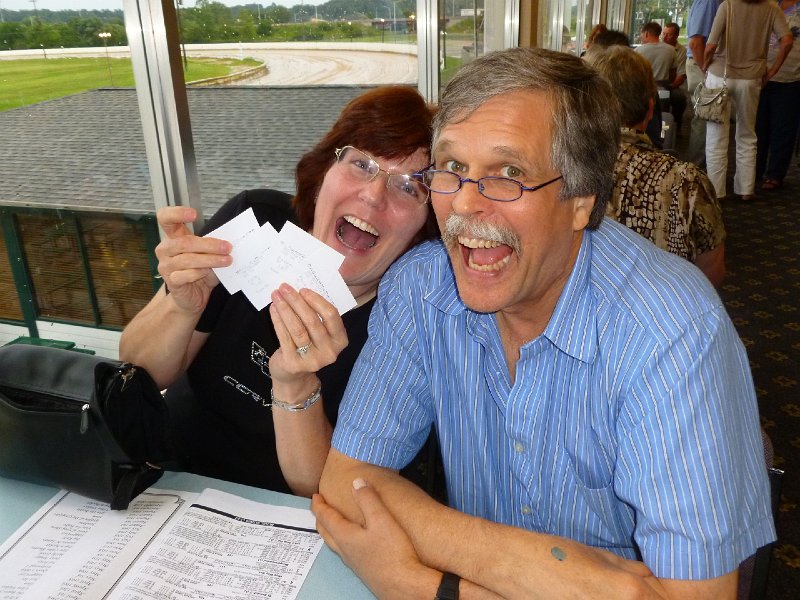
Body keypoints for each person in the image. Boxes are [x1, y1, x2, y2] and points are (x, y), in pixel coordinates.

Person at [312, 47, 775, 599]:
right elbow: (346, 479)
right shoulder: (422, 289)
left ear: (581, 200)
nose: (465, 207)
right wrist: (526, 566)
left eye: (509, 174)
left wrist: (416, 581)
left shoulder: (670, 331)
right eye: (453, 169)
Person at [118, 86, 438, 497]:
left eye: (408, 187)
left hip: (282, 519)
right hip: (166, 478)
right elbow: (139, 369)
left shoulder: (404, 320)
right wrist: (182, 308)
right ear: (324, 172)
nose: (373, 195)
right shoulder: (255, 225)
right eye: (361, 164)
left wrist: (295, 385)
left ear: (423, 231)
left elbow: (319, 488)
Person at [586, 45, 726, 287]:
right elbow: (711, 275)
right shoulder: (687, 183)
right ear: (651, 110)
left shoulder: (557, 170)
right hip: (665, 317)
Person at [703, 0, 792, 201]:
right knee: (747, 134)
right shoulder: (771, 8)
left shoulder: (728, 6)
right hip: (752, 78)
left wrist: (704, 66)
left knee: (716, 136)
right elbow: (786, 41)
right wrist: (772, 71)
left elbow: (710, 46)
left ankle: (716, 192)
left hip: (720, 75)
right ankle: (745, 189)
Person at [755, 0, 800, 191]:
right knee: (757, 128)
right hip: (760, 77)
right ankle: (754, 170)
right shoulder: (769, 5)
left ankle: (775, 174)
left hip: (790, 78)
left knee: (783, 129)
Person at [685, 0, 722, 168]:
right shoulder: (709, 2)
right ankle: (695, 169)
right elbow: (695, 42)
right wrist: (705, 69)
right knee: (703, 119)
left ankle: (699, 167)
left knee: (705, 119)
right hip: (701, 64)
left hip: (702, 64)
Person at [662, 22, 689, 127]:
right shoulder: (658, 47)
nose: (664, 37)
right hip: (656, 84)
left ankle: (675, 125)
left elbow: (681, 75)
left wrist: (669, 87)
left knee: (679, 98)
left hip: (672, 85)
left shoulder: (682, 51)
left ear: (676, 36)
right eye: (663, 33)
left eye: (668, 34)